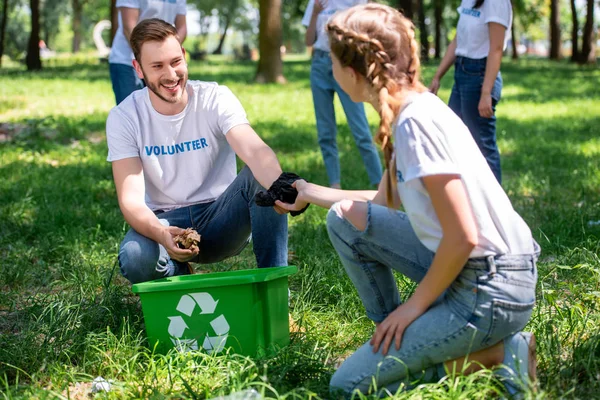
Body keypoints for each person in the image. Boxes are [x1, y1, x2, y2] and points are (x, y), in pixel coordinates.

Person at [277, 4, 538, 398]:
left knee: (349, 386)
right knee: (345, 219)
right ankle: (396, 339)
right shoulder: (410, 107)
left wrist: (413, 307)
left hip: (490, 287)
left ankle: (501, 354)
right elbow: (384, 200)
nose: (328, 68)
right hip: (486, 272)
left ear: (351, 72)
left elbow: (462, 237)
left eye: (330, 59)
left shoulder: (415, 124)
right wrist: (309, 192)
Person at [106, 19, 291, 284]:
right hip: (164, 220)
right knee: (135, 257)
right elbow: (131, 200)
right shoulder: (124, 117)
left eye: (175, 61)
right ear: (138, 69)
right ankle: (177, 274)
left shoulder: (215, 97)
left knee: (261, 177)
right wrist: (161, 234)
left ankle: (275, 294)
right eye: (157, 66)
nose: (171, 75)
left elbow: (255, 151)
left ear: (184, 56)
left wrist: (285, 188)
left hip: (222, 216)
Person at [429, 0, 512, 184]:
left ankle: (495, 209)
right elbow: (458, 39)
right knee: (453, 138)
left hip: (480, 76)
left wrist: (486, 93)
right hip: (462, 72)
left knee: (483, 146)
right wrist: (437, 76)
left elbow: (496, 49)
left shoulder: (496, 2)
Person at [302, 0, 383, 189]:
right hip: (320, 65)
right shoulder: (316, 2)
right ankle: (335, 185)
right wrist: (314, 13)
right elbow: (308, 41)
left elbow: (366, 33)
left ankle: (380, 185)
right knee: (325, 131)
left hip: (346, 65)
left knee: (360, 129)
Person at [109, 0, 187, 105]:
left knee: (163, 109)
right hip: (127, 60)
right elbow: (129, 26)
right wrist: (150, 58)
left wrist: (170, 52)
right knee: (132, 110)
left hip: (164, 62)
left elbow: (182, 28)